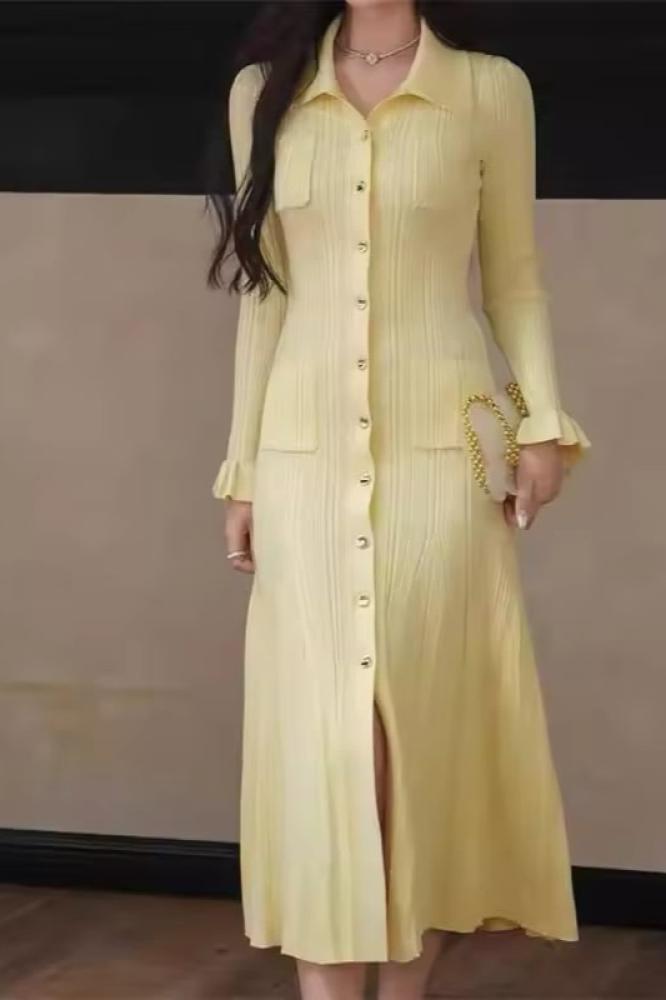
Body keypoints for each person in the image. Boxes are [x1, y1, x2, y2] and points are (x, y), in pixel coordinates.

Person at [208, 2, 591, 997]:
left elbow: (513, 277)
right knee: (326, 747)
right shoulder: (264, 94)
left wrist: (543, 420)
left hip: (440, 460)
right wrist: (243, 469)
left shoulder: (489, 90)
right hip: (301, 459)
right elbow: (264, 294)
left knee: (417, 736)